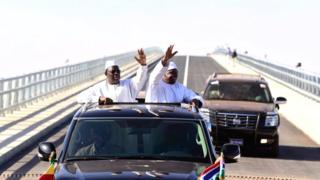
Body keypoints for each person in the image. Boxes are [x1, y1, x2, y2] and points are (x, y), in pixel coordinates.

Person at [77, 48, 148, 104]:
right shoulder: (99, 88)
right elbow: (80, 97)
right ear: (106, 74)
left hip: (127, 119)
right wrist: (99, 99)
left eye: (118, 71)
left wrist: (143, 65)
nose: (116, 73)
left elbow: (140, 79)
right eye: (113, 72)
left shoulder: (128, 84)